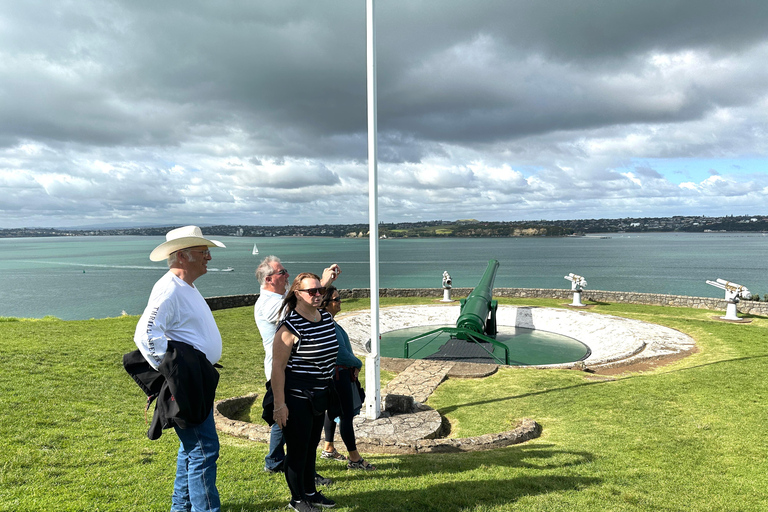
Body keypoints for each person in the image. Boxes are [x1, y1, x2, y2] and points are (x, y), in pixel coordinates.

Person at [130, 225, 226, 512]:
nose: (209, 257)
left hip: (196, 378)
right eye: (203, 251)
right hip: (188, 381)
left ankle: (180, 507)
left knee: (192, 448)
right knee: (203, 449)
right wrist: (175, 372)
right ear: (183, 256)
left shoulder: (185, 286)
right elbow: (145, 334)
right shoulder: (169, 288)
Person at [253, 256, 339, 482]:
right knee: (291, 423)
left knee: (289, 423)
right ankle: (292, 469)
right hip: (284, 373)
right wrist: (322, 284)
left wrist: (318, 286)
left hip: (295, 373)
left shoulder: (277, 298)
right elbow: (296, 313)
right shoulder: (267, 304)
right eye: (283, 272)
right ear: (269, 279)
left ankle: (278, 461)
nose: (287, 276)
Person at [272, 273, 339, 512]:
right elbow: (277, 368)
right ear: (297, 295)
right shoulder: (289, 327)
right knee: (298, 451)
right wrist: (280, 405)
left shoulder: (326, 319)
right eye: (311, 291)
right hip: (297, 397)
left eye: (320, 290)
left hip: (320, 396)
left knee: (311, 448)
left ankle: (311, 492)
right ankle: (297, 499)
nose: (318, 295)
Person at [319, 287, 377, 470]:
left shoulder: (325, 321)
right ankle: (354, 458)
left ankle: (328, 447)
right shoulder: (328, 323)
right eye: (337, 299)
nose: (340, 301)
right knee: (346, 416)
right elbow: (339, 352)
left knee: (331, 411)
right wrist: (358, 363)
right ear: (326, 304)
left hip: (333, 374)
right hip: (339, 375)